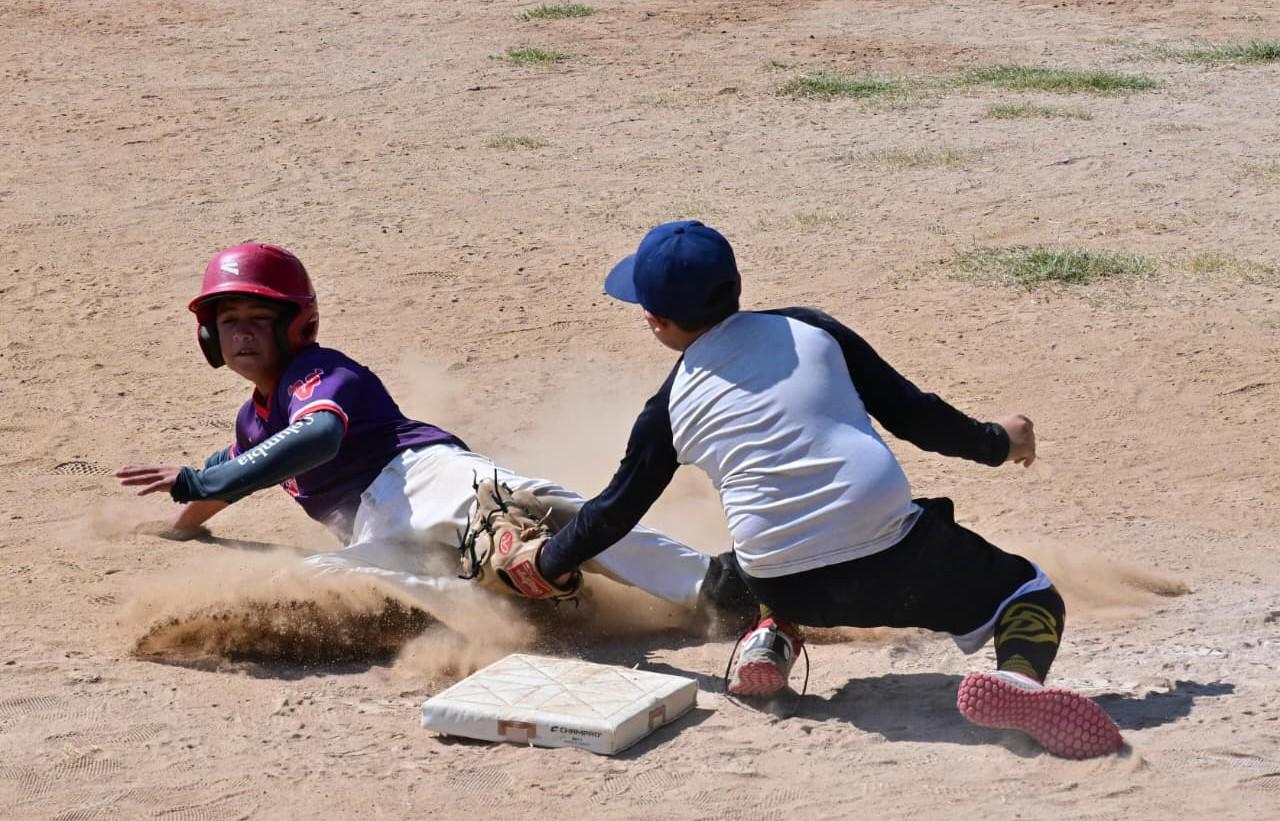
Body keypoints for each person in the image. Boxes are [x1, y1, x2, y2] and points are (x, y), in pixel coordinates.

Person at [523, 220, 1125, 759]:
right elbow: (916, 417)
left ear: (656, 321)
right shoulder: (811, 329)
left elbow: (614, 511)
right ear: (736, 285)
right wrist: (999, 441)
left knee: (762, 544)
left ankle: (769, 638)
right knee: (1028, 593)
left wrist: (546, 563)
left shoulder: (669, 408)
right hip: (897, 560)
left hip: (784, 582)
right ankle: (1017, 679)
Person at [116, 242, 751, 628]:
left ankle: (717, 586)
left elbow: (316, 440)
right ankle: (498, 602)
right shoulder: (255, 423)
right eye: (228, 320)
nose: (242, 333)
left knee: (538, 509)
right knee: (302, 584)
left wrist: (198, 480)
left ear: (296, 325)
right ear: (209, 336)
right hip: (377, 534)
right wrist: (182, 522)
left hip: (419, 477)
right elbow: (235, 472)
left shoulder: (321, 372)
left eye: (259, 317)